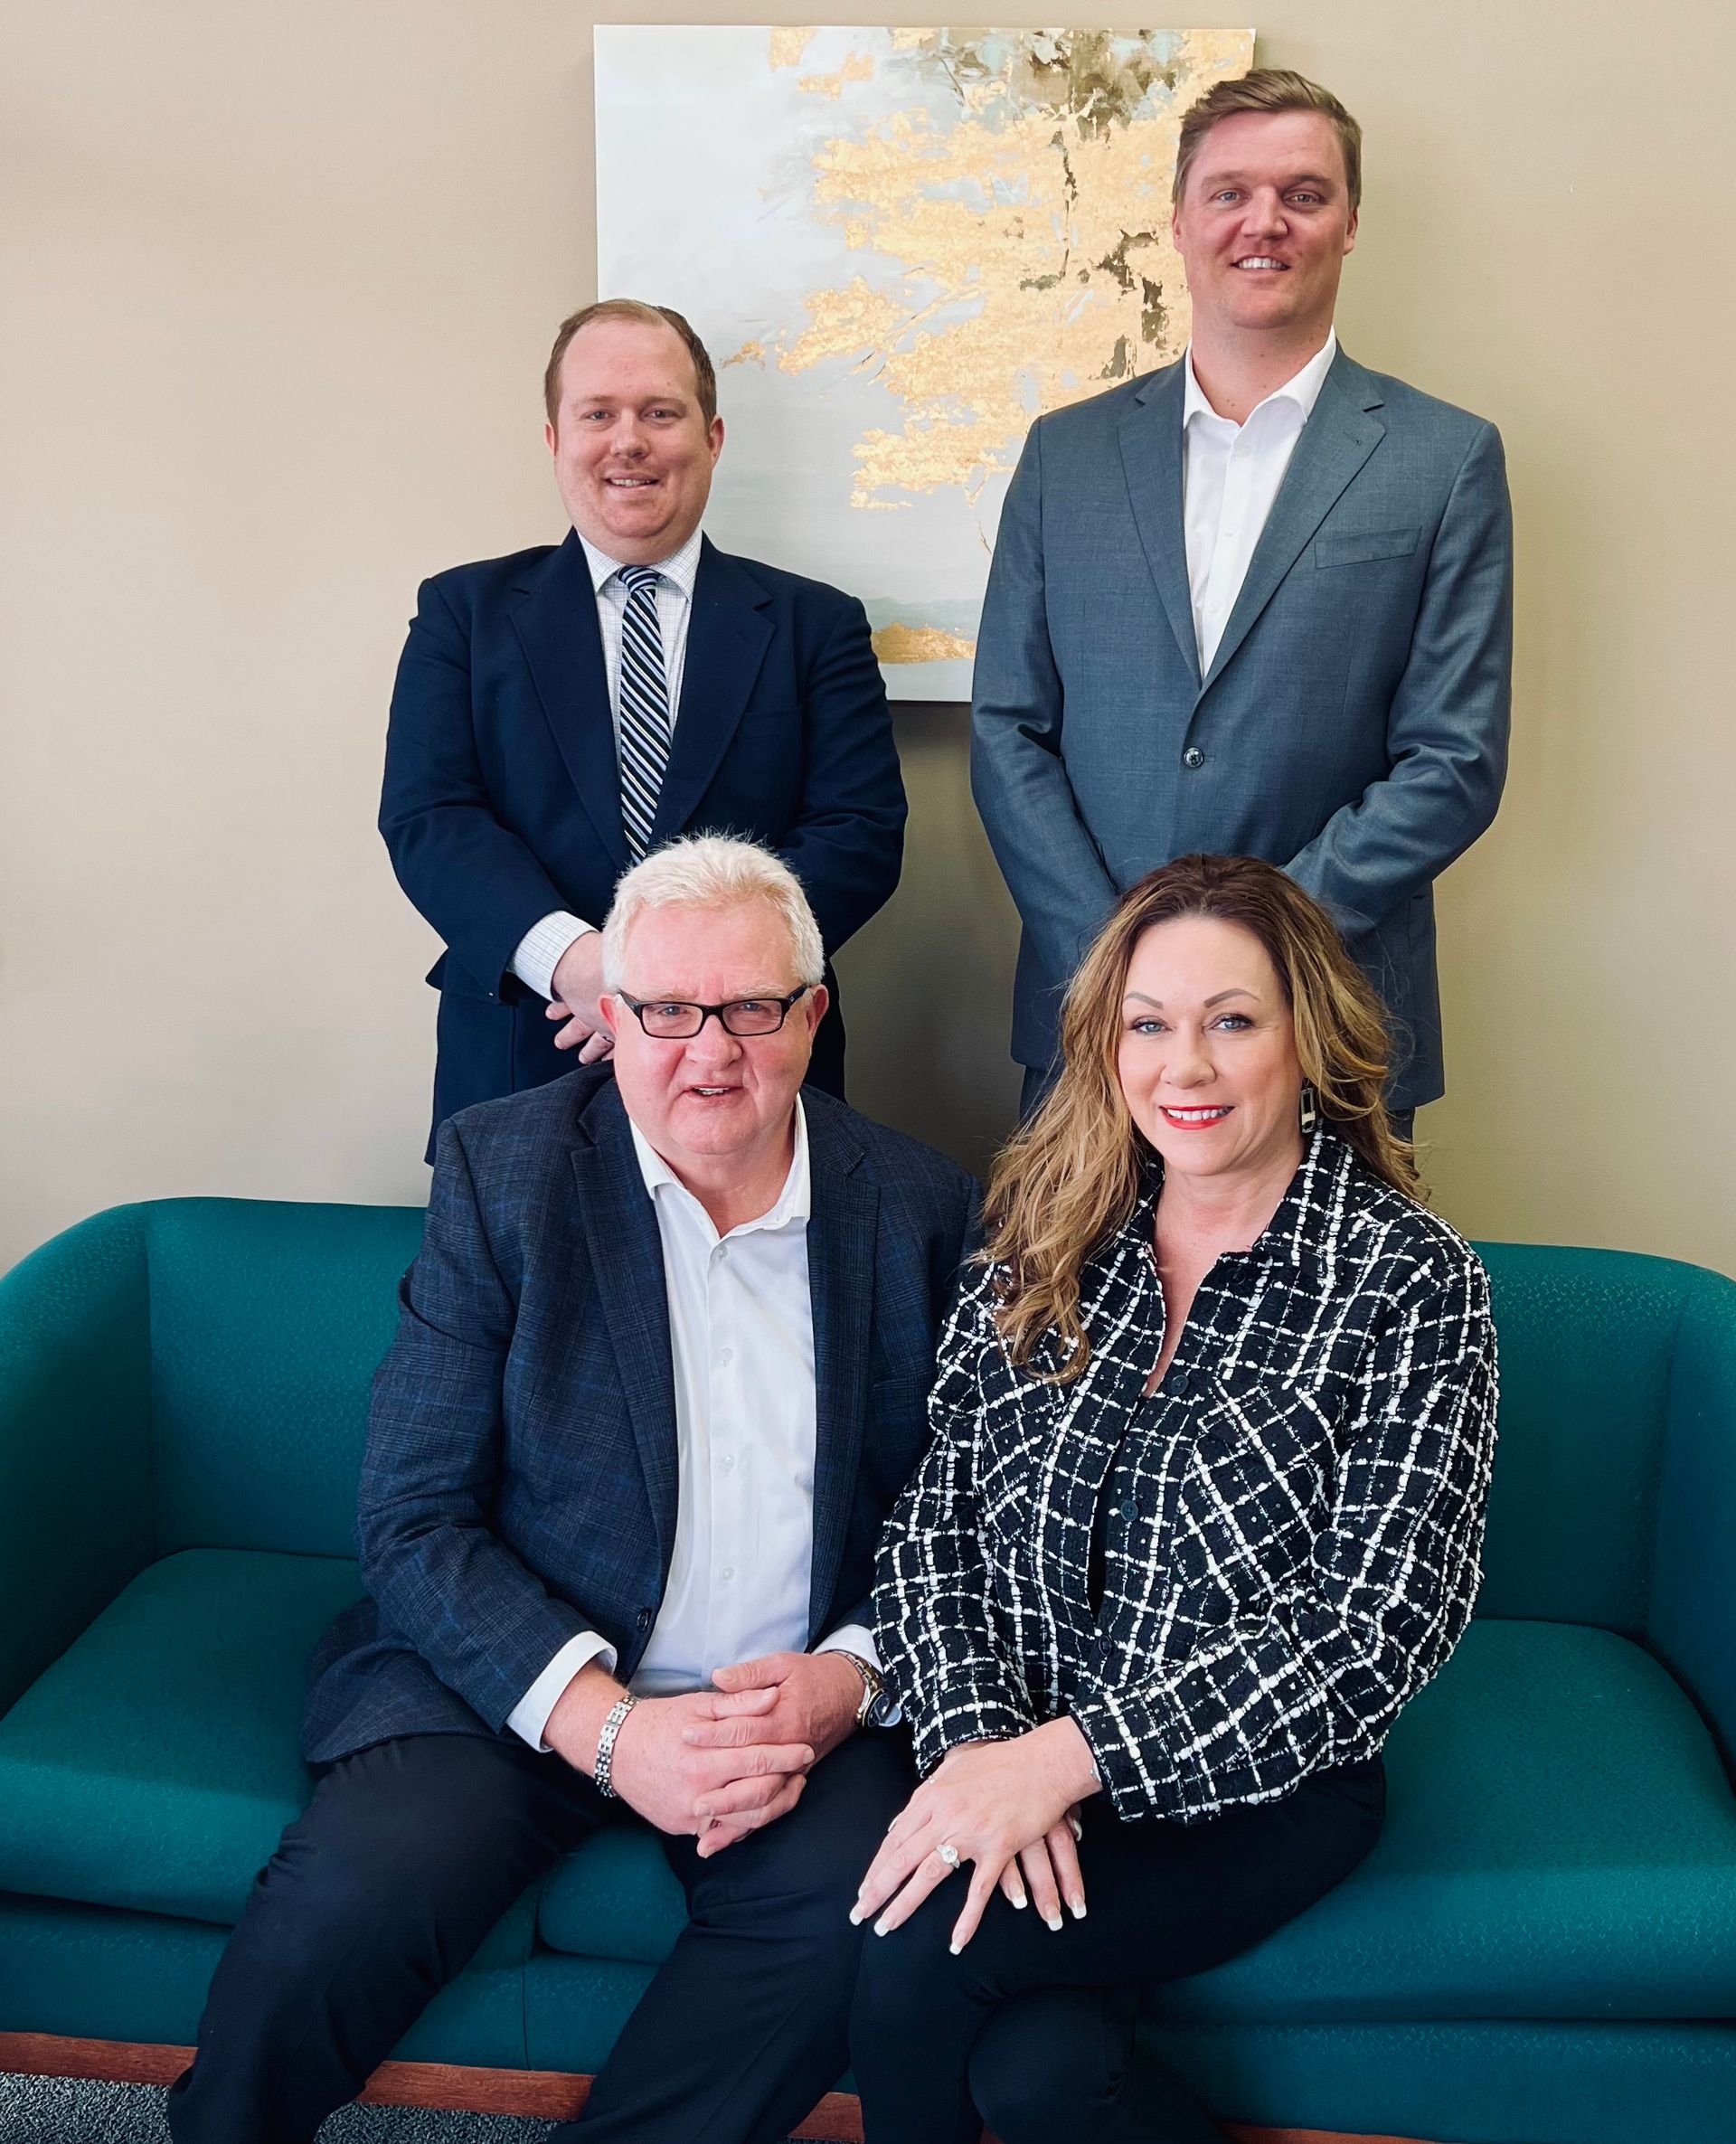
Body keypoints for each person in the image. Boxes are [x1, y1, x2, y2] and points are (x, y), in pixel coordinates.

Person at [166, 836, 973, 2144]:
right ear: (611, 1016)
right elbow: (413, 1513)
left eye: (752, 1007)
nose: (709, 1051)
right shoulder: (507, 1172)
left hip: (791, 1709)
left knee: (864, 1911)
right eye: (665, 1010)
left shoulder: (923, 1207)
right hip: (520, 1685)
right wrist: (608, 1729)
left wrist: (853, 1675)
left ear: (812, 1015)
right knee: (353, 1897)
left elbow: (964, 1508)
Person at [850, 853, 1498, 2144]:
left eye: (1232, 1019)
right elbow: (935, 1525)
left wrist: (1065, 1761)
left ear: (1307, 1035)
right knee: (1039, 2076)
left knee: (921, 1946)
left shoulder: (1414, 1282)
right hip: (1016, 1742)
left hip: (1255, 1790)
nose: (1183, 1067)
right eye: (1149, 1023)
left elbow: (1370, 1632)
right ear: (1107, 1042)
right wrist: (987, 1752)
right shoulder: (1045, 1231)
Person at [971, 70, 1514, 1136]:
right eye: (1230, 193)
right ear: (1179, 220)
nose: (1265, 222)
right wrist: (1121, 964)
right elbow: (1008, 729)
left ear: (1351, 222)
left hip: (1331, 1021)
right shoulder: (1064, 456)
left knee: (1329, 1313)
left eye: (1304, 194)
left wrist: (1253, 952)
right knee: (1081, 1304)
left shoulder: (1445, 459)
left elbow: (1454, 761)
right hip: (1092, 1018)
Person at [381, 298, 907, 1155]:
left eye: (660, 413)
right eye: (598, 414)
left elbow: (861, 833)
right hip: (528, 1048)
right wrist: (581, 966)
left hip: (751, 1059)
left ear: (714, 437)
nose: (629, 441)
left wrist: (686, 990)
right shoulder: (461, 615)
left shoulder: (818, 625)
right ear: (556, 441)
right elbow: (431, 818)